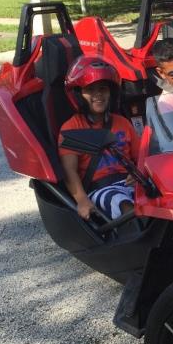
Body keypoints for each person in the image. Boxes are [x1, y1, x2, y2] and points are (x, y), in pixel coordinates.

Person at [58, 55, 138, 221]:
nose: (98, 95)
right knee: (122, 203)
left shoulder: (122, 122)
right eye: (90, 90)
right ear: (79, 94)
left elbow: (140, 157)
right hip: (100, 188)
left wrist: (138, 173)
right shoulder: (71, 128)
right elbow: (69, 171)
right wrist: (81, 200)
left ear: (111, 92)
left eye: (103, 89)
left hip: (130, 182)